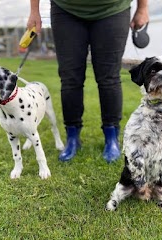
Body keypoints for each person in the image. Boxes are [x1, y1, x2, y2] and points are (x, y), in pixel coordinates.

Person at [27, 0, 149, 163]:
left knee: (109, 78)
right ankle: (72, 137)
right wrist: (34, 11)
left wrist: (143, 7)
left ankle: (111, 138)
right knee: (70, 78)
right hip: (66, 9)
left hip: (113, 9)